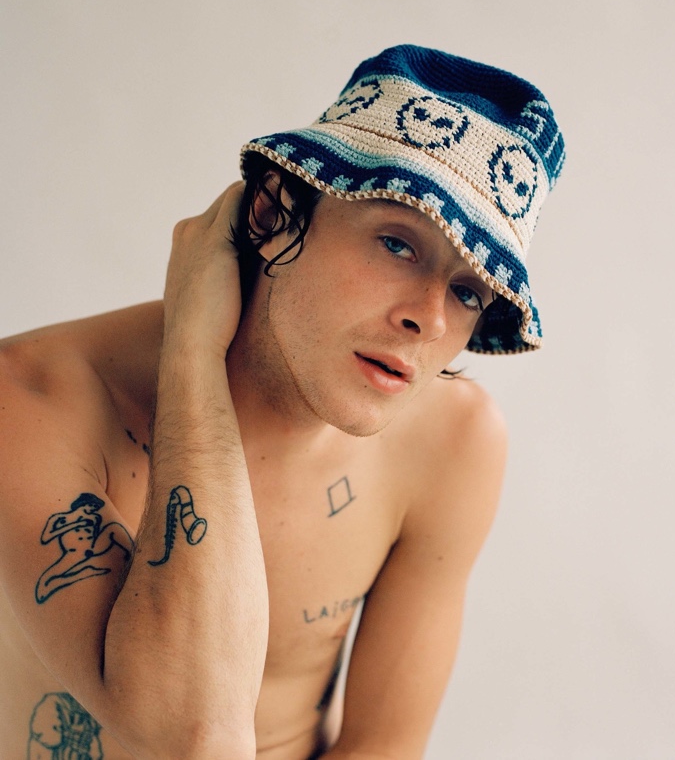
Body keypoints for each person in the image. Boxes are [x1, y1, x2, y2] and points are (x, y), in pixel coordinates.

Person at [0, 45, 566, 760]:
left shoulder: (455, 441)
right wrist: (193, 356)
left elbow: (383, 748)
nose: (428, 318)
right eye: (398, 244)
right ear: (272, 211)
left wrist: (195, 350)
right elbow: (189, 733)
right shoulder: (28, 398)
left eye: (467, 292)